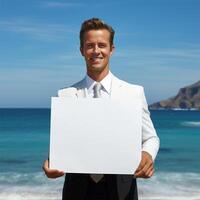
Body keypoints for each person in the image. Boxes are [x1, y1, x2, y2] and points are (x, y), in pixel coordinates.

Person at [43, 18, 160, 200]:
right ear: (81, 50)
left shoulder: (133, 92)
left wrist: (147, 155)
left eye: (102, 45)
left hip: (123, 189)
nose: (96, 51)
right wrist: (51, 161)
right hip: (77, 190)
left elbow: (151, 137)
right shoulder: (65, 95)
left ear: (111, 49)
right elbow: (63, 143)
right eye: (90, 45)